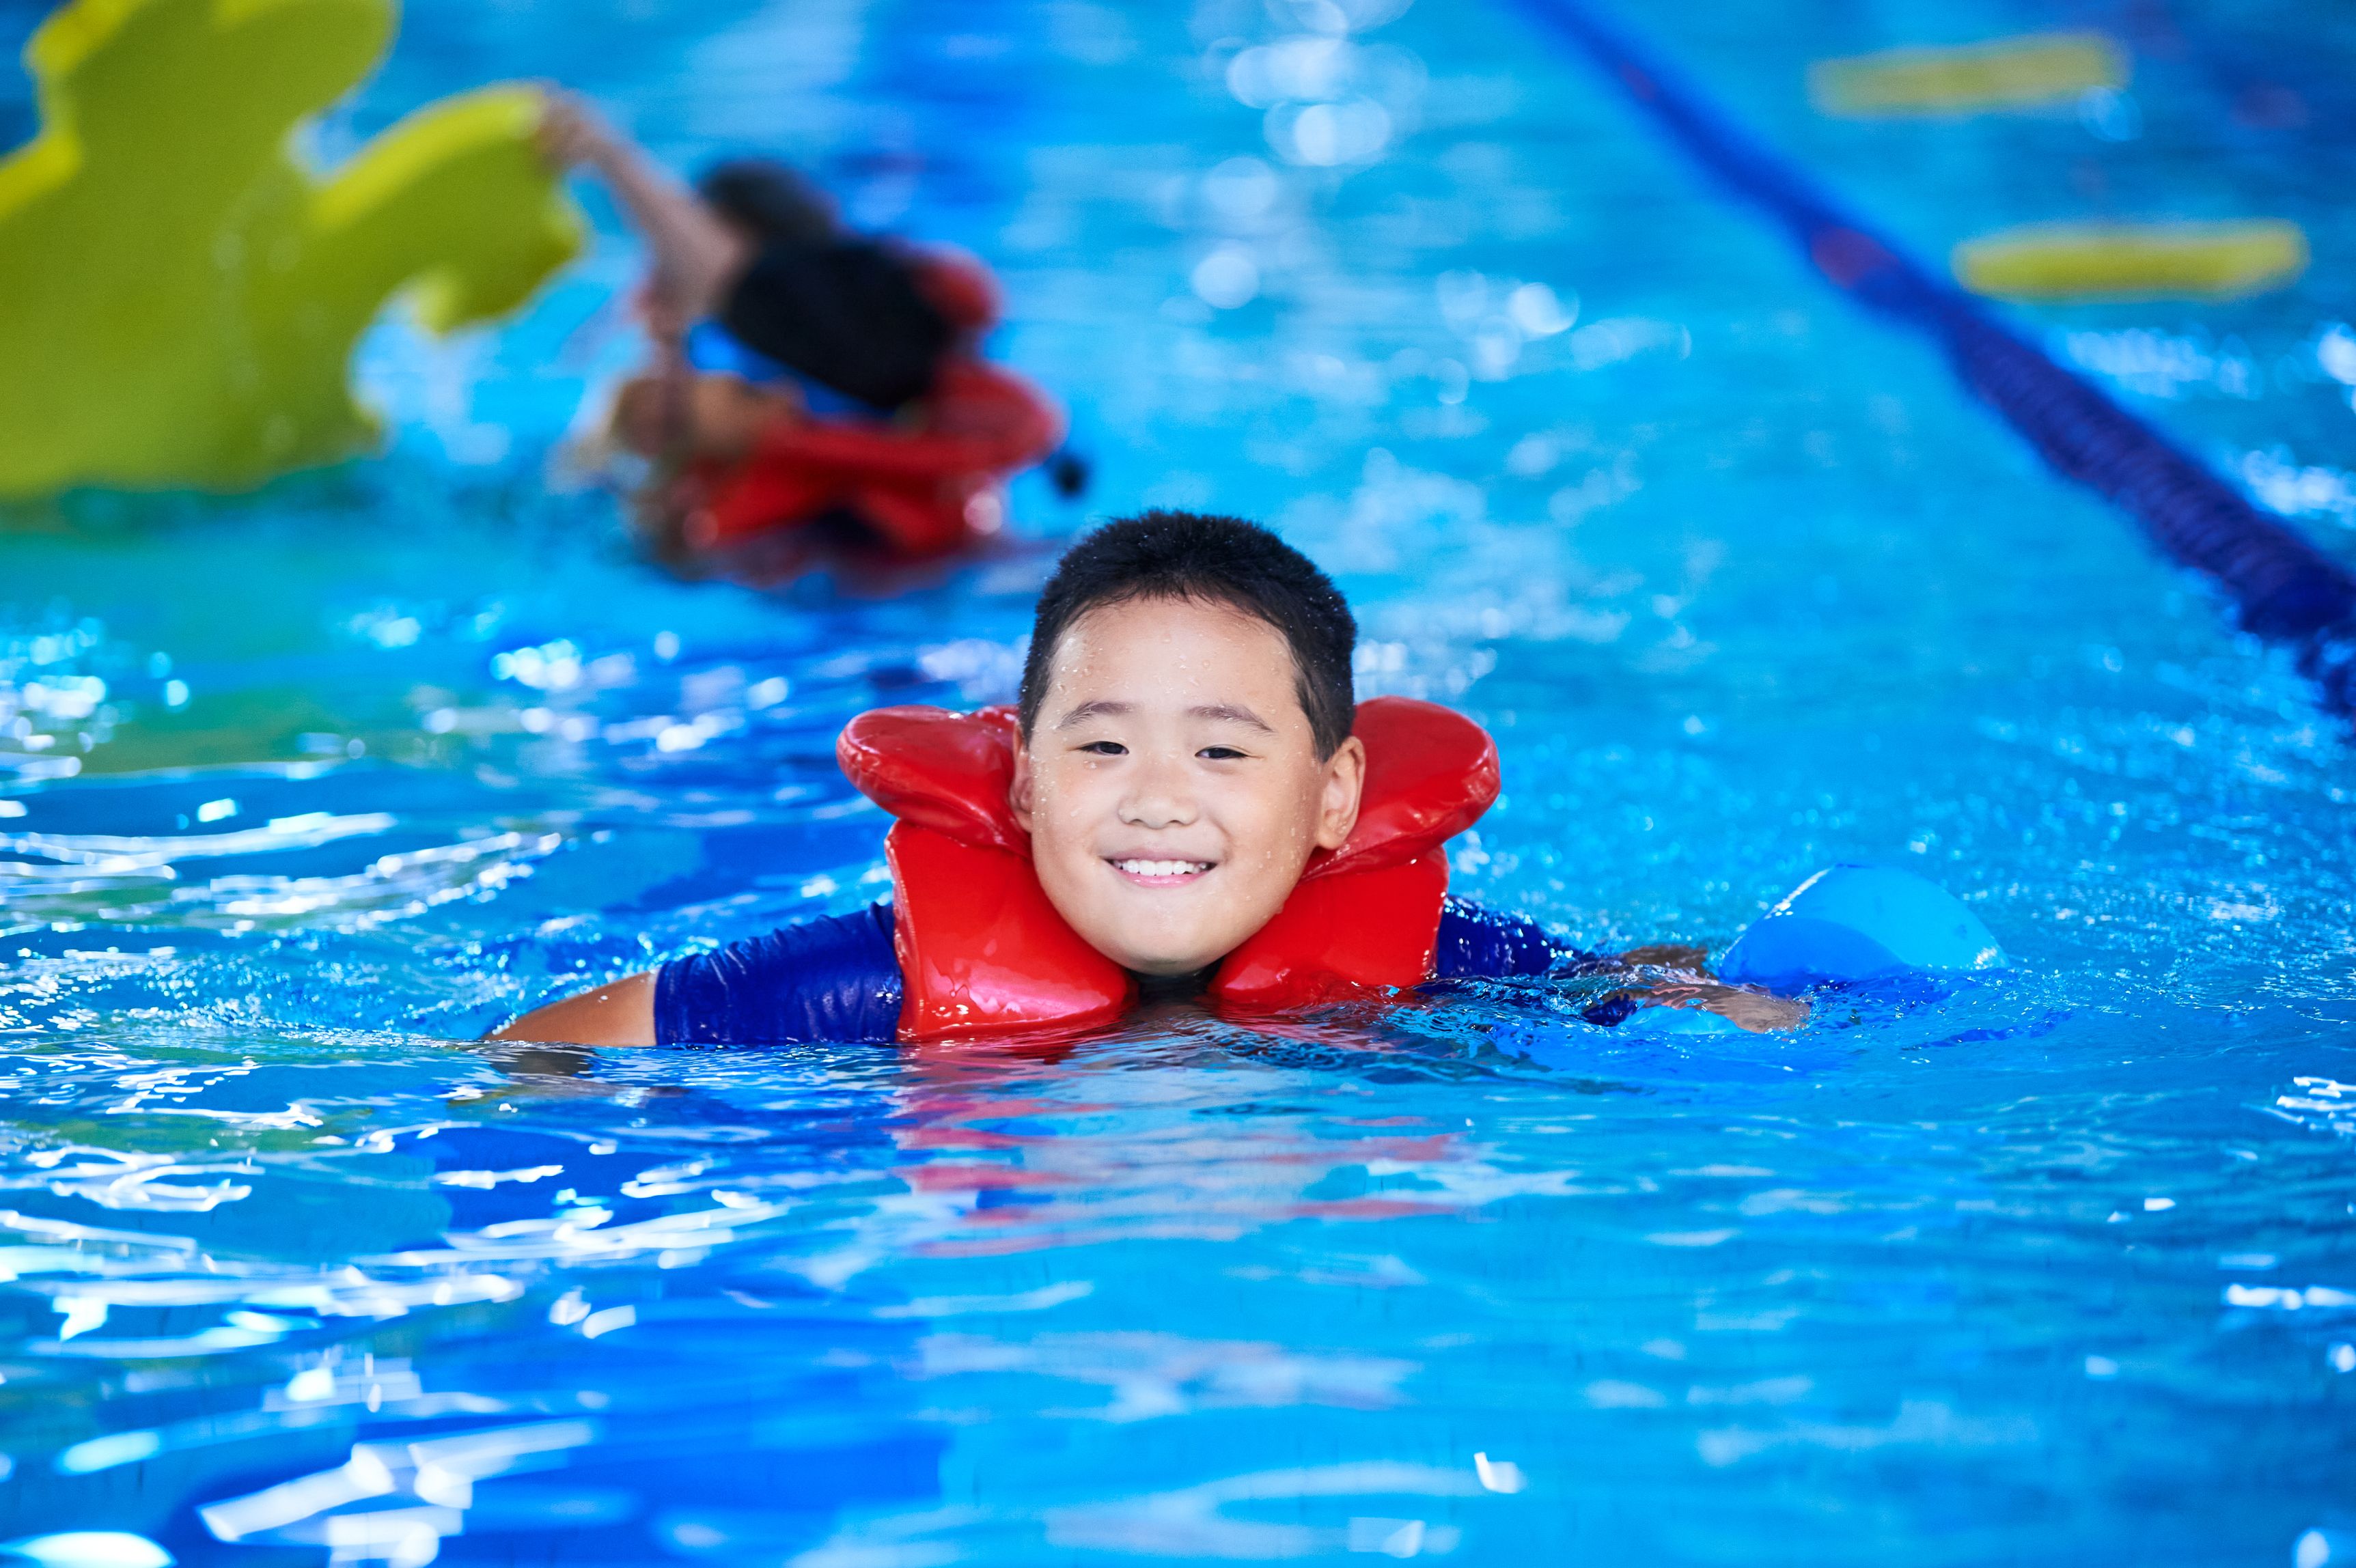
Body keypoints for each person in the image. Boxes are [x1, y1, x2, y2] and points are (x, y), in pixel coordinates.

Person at [491, 512, 1805, 1047]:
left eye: (1223, 751)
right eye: (1102, 744)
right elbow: (535, 1052)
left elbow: (1655, 998)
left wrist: (1749, 1007)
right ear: (1016, 780)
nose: (1157, 797)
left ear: (1335, 798)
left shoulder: (1431, 961)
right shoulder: (871, 982)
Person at [540, 96, 1069, 568]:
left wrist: (608, 157)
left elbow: (731, 281)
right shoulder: (698, 360)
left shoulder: (836, 342)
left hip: (867, 559)